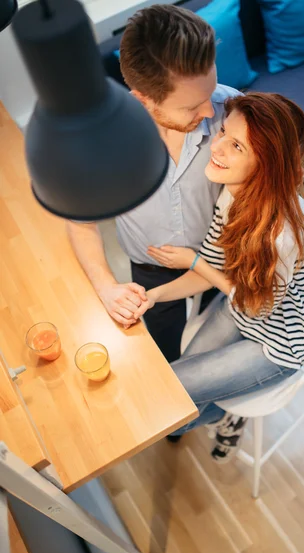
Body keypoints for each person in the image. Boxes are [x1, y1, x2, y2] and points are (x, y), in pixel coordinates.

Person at [134, 92, 304, 463]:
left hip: (277, 343)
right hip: (239, 306)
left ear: (266, 166)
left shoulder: (282, 236)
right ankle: (226, 404)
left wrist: (194, 263)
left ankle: (229, 414)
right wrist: (154, 296)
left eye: (236, 145)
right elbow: (211, 267)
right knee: (173, 394)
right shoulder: (233, 195)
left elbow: (254, 305)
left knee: (171, 412)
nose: (217, 148)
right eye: (223, 132)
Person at [66, 5, 238, 362]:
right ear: (143, 99)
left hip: (221, 257)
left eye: (211, 90)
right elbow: (81, 224)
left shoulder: (232, 112)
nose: (210, 112)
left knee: (215, 341)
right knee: (164, 350)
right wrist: (106, 287)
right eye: (191, 106)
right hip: (150, 269)